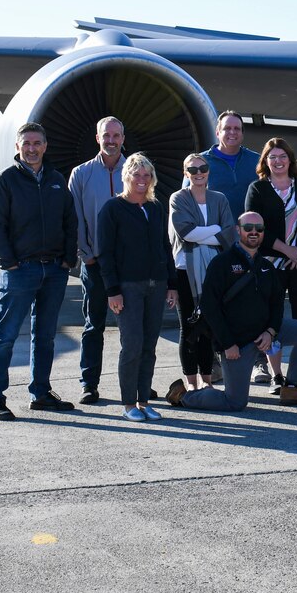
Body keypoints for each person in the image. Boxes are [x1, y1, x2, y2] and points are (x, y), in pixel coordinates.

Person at [165, 212, 297, 410]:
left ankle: (293, 388)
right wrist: (228, 344)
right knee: (235, 402)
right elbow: (209, 307)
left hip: (264, 333)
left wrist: (271, 332)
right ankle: (184, 396)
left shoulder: (266, 266)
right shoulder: (222, 263)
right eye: (248, 228)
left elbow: (277, 304)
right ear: (238, 230)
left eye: (259, 229)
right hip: (237, 343)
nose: (253, 232)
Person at [0, 123, 78, 420]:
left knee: (45, 336)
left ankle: (40, 393)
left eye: (38, 143)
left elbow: (69, 221)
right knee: (6, 336)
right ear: (18, 147)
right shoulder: (5, 181)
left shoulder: (56, 180)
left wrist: (67, 259)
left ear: (45, 146)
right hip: (20, 270)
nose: (32, 148)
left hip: (54, 270)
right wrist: (8, 262)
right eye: (27, 143)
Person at [97, 153, 178, 422]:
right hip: (128, 288)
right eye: (136, 174)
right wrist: (112, 291)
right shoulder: (112, 209)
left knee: (149, 346)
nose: (142, 180)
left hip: (157, 285)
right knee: (131, 345)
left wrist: (171, 285)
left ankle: (144, 400)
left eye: (146, 175)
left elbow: (165, 247)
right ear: (126, 177)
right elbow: (105, 254)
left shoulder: (155, 207)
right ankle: (129, 403)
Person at [245, 137, 297, 394]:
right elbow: (254, 229)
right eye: (272, 157)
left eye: (282, 156)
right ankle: (276, 377)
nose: (278, 161)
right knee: (271, 319)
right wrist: (286, 249)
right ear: (265, 162)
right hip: (270, 263)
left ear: (290, 160)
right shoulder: (257, 190)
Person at [199, 111, 270, 383]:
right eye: (227, 128)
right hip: (215, 246)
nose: (232, 133)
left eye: (237, 128)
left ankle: (258, 362)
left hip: (251, 245)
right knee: (215, 305)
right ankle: (215, 361)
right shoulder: (202, 162)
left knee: (255, 305)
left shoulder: (255, 161)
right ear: (217, 132)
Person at [68, 115, 126, 405]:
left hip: (130, 267)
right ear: (98, 138)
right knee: (94, 326)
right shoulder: (81, 174)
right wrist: (86, 256)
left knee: (133, 328)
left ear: (123, 139)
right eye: (107, 136)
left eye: (116, 136)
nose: (111, 141)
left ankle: (138, 383)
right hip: (96, 264)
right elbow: (75, 218)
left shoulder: (137, 170)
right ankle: (89, 384)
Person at [169, 153, 237, 391]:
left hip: (214, 271)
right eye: (193, 169)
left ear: (209, 171)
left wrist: (209, 233)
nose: (199, 173)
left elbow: (230, 233)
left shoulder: (219, 199)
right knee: (188, 326)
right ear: (186, 173)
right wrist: (216, 230)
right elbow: (185, 232)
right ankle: (191, 383)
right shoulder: (178, 198)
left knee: (209, 324)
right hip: (185, 270)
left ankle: (207, 380)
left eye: (203, 168)